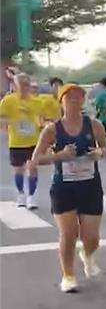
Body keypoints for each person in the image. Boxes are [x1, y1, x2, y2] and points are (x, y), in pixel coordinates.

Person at [31, 84, 106, 293]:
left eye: (78, 97)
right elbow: (36, 159)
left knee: (92, 237)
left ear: (83, 101)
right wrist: (59, 156)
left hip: (90, 185)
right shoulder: (52, 129)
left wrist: (99, 153)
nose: (75, 101)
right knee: (68, 234)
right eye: (70, 97)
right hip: (64, 187)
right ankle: (68, 275)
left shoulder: (94, 125)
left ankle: (87, 254)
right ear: (61, 101)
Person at [0, 73, 45, 208]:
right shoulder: (8, 101)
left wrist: (42, 125)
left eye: (27, 85)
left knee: (32, 168)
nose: (24, 88)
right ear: (15, 86)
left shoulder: (37, 101)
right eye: (21, 86)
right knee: (19, 169)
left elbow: (42, 119)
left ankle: (31, 196)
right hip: (17, 141)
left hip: (34, 140)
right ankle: (20, 194)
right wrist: (12, 122)